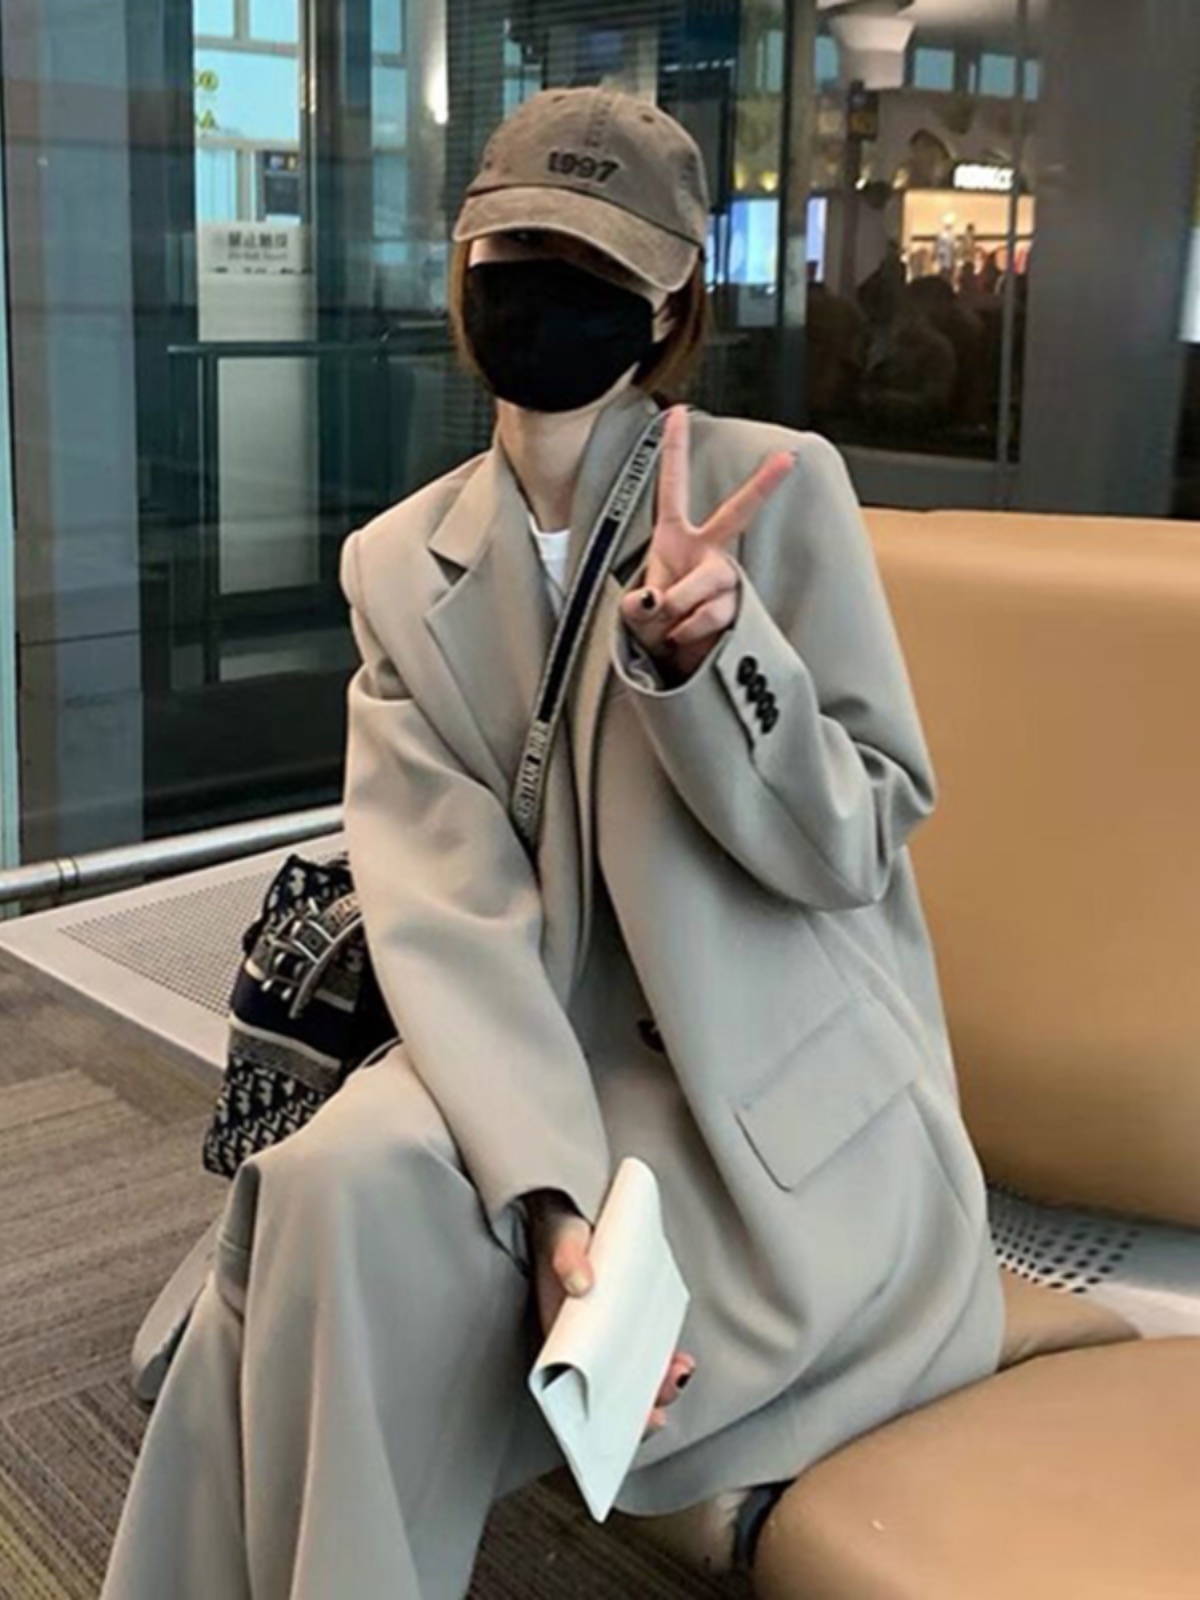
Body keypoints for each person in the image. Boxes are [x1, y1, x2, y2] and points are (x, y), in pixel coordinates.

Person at [99, 86, 1004, 1600]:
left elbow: (854, 842)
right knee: (323, 1189)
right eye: (517, 254)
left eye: (592, 266)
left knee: (319, 1287)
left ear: (669, 302)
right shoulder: (401, 564)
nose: (544, 296)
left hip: (758, 1111)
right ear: (463, 269)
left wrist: (713, 663)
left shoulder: (775, 493)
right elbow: (441, 907)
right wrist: (550, 1203)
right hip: (520, 1049)